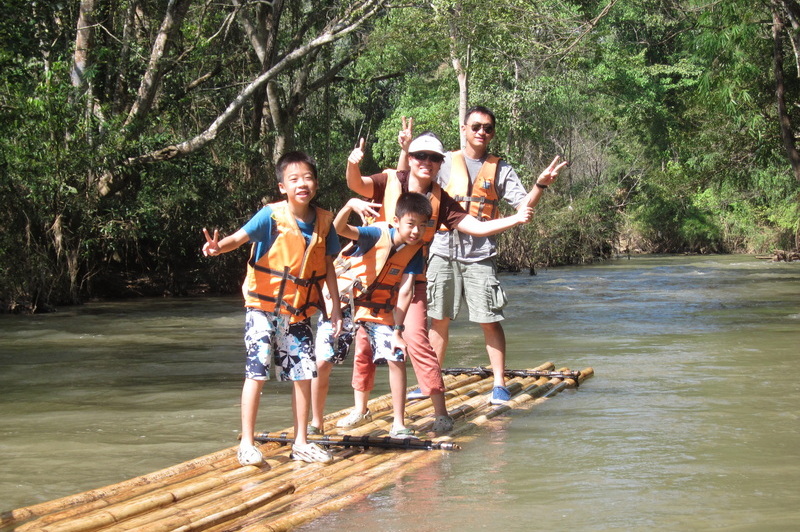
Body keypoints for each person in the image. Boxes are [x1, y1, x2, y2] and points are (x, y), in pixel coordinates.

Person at [338, 132, 532, 430]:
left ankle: (440, 410)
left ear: (441, 163)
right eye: (420, 156)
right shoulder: (389, 180)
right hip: (373, 280)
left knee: (417, 338)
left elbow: (476, 227)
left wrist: (515, 220)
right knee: (364, 345)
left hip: (410, 279)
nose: (426, 162)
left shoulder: (441, 200)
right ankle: (360, 409)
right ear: (411, 159)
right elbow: (356, 185)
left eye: (434, 158)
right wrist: (353, 164)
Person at [403, 107, 567, 405]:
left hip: (481, 253)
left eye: (488, 128)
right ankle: (430, 383)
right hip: (441, 250)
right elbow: (411, 181)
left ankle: (499, 384)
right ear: (464, 128)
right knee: (439, 318)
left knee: (488, 319)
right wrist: (406, 149)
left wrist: (540, 185)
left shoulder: (500, 169)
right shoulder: (442, 162)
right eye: (476, 126)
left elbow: (523, 207)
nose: (481, 132)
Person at [202, 151, 343, 466]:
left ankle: (301, 443)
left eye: (307, 177)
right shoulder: (270, 216)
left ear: (316, 184)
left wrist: (334, 307)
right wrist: (216, 247)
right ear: (283, 187)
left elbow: (328, 267)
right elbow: (238, 238)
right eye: (293, 179)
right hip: (262, 309)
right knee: (257, 371)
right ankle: (248, 444)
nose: (301, 184)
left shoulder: (324, 221)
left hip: (298, 312)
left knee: (304, 372)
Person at [323, 192, 432, 438]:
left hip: (378, 307)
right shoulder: (375, 234)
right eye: (411, 224)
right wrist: (349, 204)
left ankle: (399, 423)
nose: (416, 231)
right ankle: (347, 414)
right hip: (346, 302)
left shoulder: (415, 250)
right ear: (396, 220)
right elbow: (339, 229)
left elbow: (406, 289)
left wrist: (398, 331)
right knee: (330, 357)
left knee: (396, 355)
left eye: (422, 226)